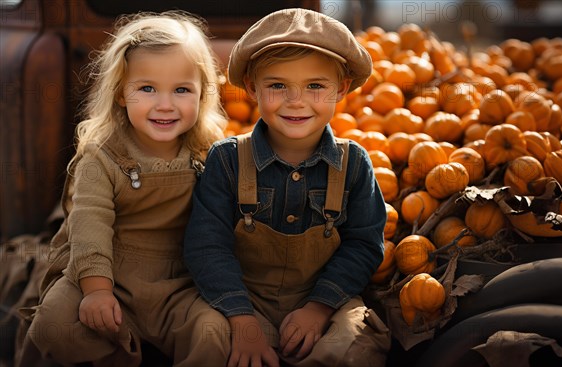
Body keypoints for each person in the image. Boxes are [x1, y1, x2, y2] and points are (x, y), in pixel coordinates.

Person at [18, 10, 228, 366]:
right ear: (120, 94)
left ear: (203, 94)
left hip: (178, 283)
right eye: (146, 88)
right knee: (53, 323)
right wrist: (97, 291)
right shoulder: (103, 159)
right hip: (106, 272)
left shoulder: (210, 153)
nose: (165, 104)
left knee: (214, 331)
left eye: (181, 90)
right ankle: (118, 352)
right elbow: (89, 226)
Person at [184, 8, 391, 367]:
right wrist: (241, 318)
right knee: (209, 339)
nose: (296, 100)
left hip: (325, 299)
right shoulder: (227, 160)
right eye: (278, 85)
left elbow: (363, 245)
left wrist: (319, 308)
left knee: (357, 342)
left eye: (315, 85)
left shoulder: (354, 164)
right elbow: (206, 246)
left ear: (340, 88)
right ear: (252, 87)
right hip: (241, 298)